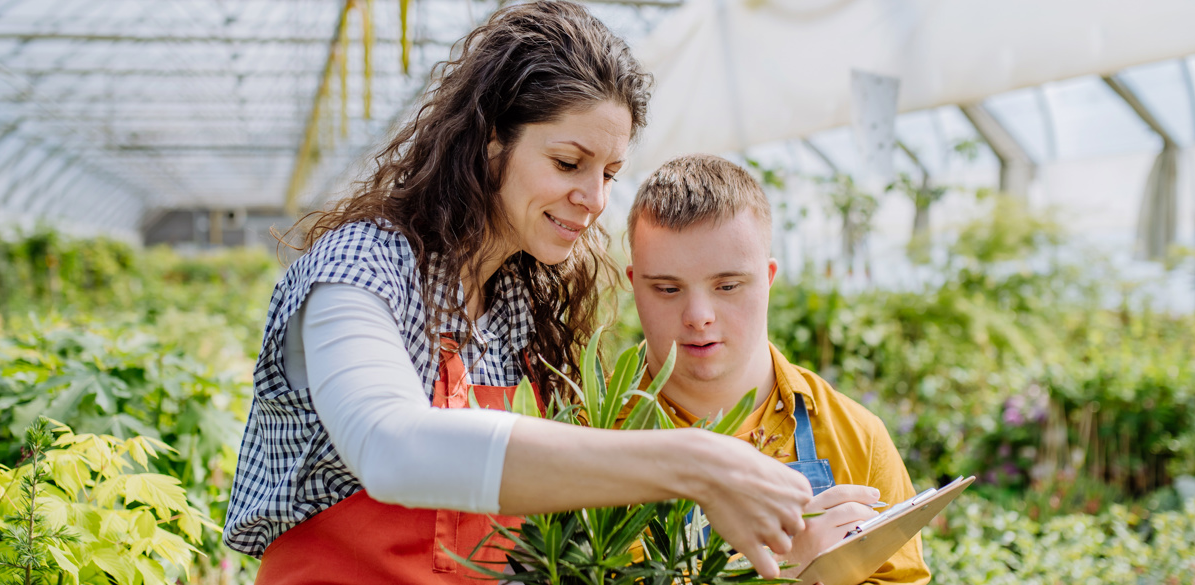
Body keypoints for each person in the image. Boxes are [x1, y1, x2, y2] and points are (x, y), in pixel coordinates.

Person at [222, 3, 814, 583]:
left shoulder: (519, 305)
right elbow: (390, 449)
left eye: (607, 174)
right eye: (567, 163)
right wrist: (694, 464)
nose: (595, 198)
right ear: (488, 141)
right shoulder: (363, 266)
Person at [623, 154, 932, 583]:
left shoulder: (857, 438)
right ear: (634, 284)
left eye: (727, 286)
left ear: (767, 278)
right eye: (668, 288)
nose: (698, 315)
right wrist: (786, 570)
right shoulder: (586, 433)